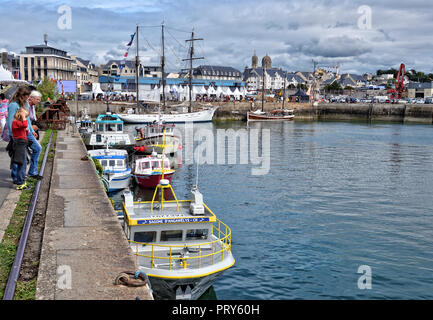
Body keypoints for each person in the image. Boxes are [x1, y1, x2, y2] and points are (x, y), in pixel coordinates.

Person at [7, 86, 43, 183]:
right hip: (18, 134)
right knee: (18, 156)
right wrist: (14, 136)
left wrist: (31, 131)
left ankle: (29, 173)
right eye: (27, 96)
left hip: (25, 132)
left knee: (34, 150)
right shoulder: (14, 105)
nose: (28, 98)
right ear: (22, 95)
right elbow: (10, 122)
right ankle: (17, 177)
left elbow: (27, 120)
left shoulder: (23, 103)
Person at [11, 107, 30, 190]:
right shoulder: (15, 122)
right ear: (20, 116)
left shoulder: (19, 123)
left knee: (24, 163)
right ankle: (20, 183)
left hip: (22, 143)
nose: (26, 118)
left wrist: (26, 130)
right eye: (25, 116)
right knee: (21, 164)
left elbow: (25, 131)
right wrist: (23, 117)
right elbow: (25, 125)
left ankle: (22, 180)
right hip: (19, 144)